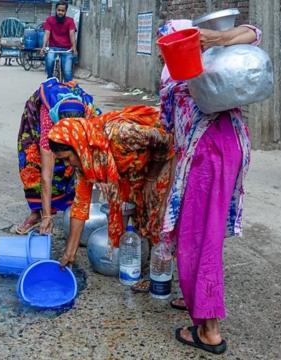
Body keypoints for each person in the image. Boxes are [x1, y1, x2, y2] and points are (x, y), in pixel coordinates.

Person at [157, 21, 261, 354]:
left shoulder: (173, 77)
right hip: (231, 145)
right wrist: (216, 40)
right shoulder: (220, 61)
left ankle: (210, 329)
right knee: (203, 232)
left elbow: (168, 128)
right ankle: (196, 301)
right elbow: (253, 32)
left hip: (207, 153)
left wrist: (213, 39)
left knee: (198, 236)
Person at [48, 105, 174, 266]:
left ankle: (161, 270)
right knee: (137, 218)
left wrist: (151, 178)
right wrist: (69, 253)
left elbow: (166, 141)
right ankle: (146, 263)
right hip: (133, 169)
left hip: (160, 160)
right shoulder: (86, 160)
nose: (68, 164)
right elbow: (80, 207)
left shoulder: (120, 134)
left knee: (156, 213)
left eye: (67, 158)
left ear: (77, 146)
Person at [16, 78, 99, 235]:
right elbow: (47, 174)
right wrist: (47, 216)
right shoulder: (48, 121)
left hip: (75, 110)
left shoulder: (90, 117)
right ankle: (37, 213)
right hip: (36, 120)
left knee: (72, 163)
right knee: (32, 161)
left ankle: (69, 207)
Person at [40, 1, 77, 82]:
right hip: (53, 47)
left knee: (67, 73)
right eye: (59, 10)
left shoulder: (70, 21)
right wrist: (43, 46)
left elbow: (72, 34)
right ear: (56, 10)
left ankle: (68, 91)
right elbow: (47, 33)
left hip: (67, 49)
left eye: (62, 11)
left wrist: (74, 47)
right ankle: (50, 79)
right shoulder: (50, 20)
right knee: (49, 60)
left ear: (66, 11)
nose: (60, 12)